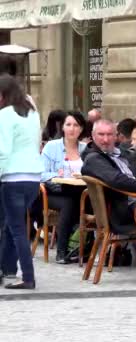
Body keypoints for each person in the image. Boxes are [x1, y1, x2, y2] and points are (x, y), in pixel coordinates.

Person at [0, 75, 43, 289]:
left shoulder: (5, 115)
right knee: (13, 226)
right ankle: (7, 267)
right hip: (33, 177)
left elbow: (3, 150)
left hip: (12, 177)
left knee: (15, 228)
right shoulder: (32, 113)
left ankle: (27, 276)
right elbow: (37, 142)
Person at [39, 111, 87, 264]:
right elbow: (40, 173)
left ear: (81, 129)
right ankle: (62, 251)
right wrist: (57, 176)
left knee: (88, 200)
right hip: (53, 192)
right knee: (69, 202)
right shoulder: (52, 147)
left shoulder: (86, 149)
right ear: (63, 128)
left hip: (80, 191)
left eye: (76, 125)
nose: (72, 129)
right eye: (68, 125)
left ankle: (85, 247)